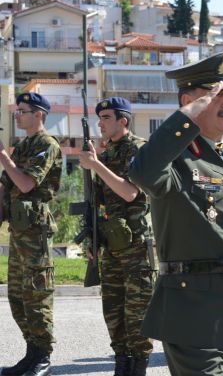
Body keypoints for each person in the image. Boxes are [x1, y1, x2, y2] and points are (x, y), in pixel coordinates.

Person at [128, 51, 223, 376]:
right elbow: (141, 173)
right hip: (192, 312)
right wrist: (186, 117)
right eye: (214, 93)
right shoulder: (174, 158)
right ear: (188, 101)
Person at [78, 97, 154, 376]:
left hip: (135, 244)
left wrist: (95, 165)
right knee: (113, 312)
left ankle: (139, 366)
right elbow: (96, 204)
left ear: (123, 120)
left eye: (106, 118)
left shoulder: (139, 149)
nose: (100, 123)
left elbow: (130, 193)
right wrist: (92, 240)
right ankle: (121, 363)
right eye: (99, 118)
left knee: (137, 314)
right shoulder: (106, 154)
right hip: (111, 244)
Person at [0, 93, 61, 376]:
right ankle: (31, 352)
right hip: (19, 233)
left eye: (22, 111)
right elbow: (6, 188)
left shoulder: (47, 145)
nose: (17, 115)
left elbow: (25, 185)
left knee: (37, 297)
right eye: (17, 111)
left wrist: (3, 156)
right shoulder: (21, 146)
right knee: (17, 297)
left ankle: (43, 356)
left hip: (36, 234)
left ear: (38, 114)